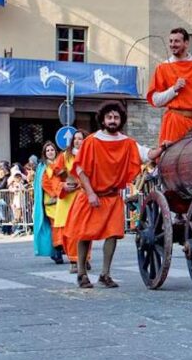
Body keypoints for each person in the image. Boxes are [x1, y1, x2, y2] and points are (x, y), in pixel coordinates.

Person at [65, 104, 165, 289]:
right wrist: (90, 193)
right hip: (91, 196)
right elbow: (80, 169)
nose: (113, 120)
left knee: (112, 235)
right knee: (85, 235)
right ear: (102, 120)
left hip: (112, 197)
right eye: (109, 117)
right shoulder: (92, 141)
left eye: (116, 117)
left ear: (121, 120)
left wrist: (162, 148)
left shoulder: (127, 142)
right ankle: (81, 273)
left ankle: (105, 274)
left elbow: (147, 154)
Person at [146, 28, 192, 144]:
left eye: (176, 41)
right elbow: (156, 101)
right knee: (171, 160)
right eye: (170, 41)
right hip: (175, 123)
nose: (172, 45)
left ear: (186, 43)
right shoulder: (162, 68)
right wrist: (173, 89)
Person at [51, 130, 86, 271]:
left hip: (83, 196)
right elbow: (55, 176)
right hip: (67, 199)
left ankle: (84, 259)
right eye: (75, 139)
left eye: (80, 138)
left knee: (84, 230)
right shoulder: (64, 156)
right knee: (69, 231)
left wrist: (81, 184)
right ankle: (73, 260)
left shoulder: (90, 155)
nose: (77, 141)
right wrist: (63, 185)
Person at [33, 141, 63, 263]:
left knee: (64, 226)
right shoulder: (42, 167)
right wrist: (54, 194)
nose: (50, 152)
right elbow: (44, 184)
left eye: (52, 150)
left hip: (63, 199)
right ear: (45, 153)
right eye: (48, 150)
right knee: (55, 226)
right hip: (51, 202)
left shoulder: (61, 164)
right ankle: (57, 251)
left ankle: (63, 249)